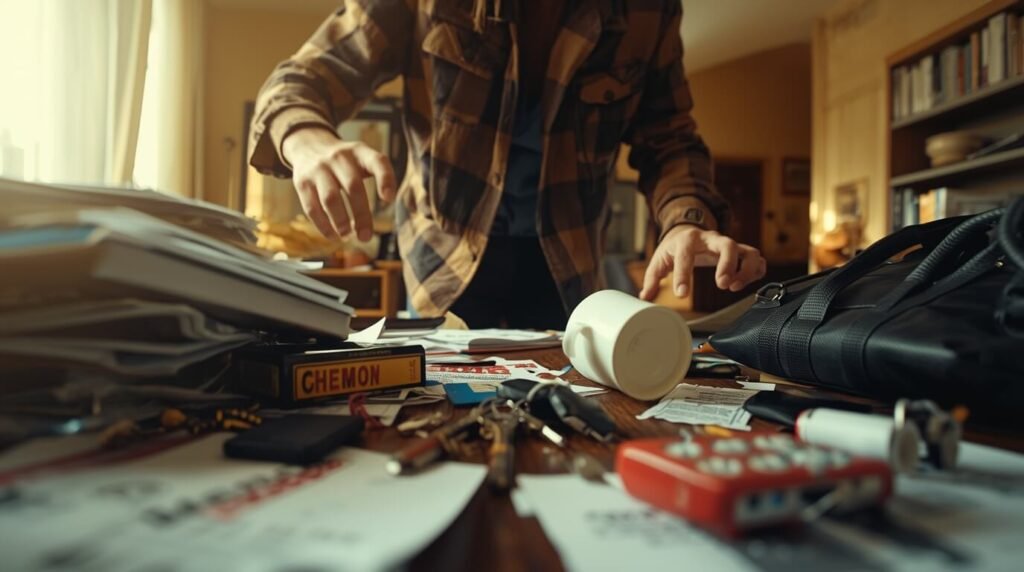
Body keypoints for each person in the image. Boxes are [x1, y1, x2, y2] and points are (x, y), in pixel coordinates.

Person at [249, 0, 766, 329]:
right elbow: (300, 80)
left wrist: (684, 220)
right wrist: (305, 138)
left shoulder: (648, 12)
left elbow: (670, 138)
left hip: (567, 267)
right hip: (444, 262)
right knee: (438, 404)